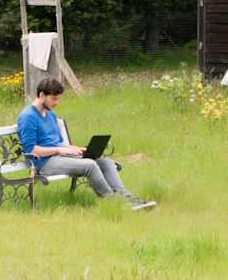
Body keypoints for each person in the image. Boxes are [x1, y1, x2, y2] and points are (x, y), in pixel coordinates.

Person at [16, 77, 156, 211]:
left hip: (59, 157)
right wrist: (59, 151)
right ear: (41, 95)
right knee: (90, 165)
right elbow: (32, 150)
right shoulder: (28, 117)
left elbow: (59, 143)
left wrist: (76, 149)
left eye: (58, 98)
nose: (56, 102)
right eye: (54, 98)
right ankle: (114, 203)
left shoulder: (50, 114)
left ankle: (130, 199)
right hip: (43, 163)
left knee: (105, 162)